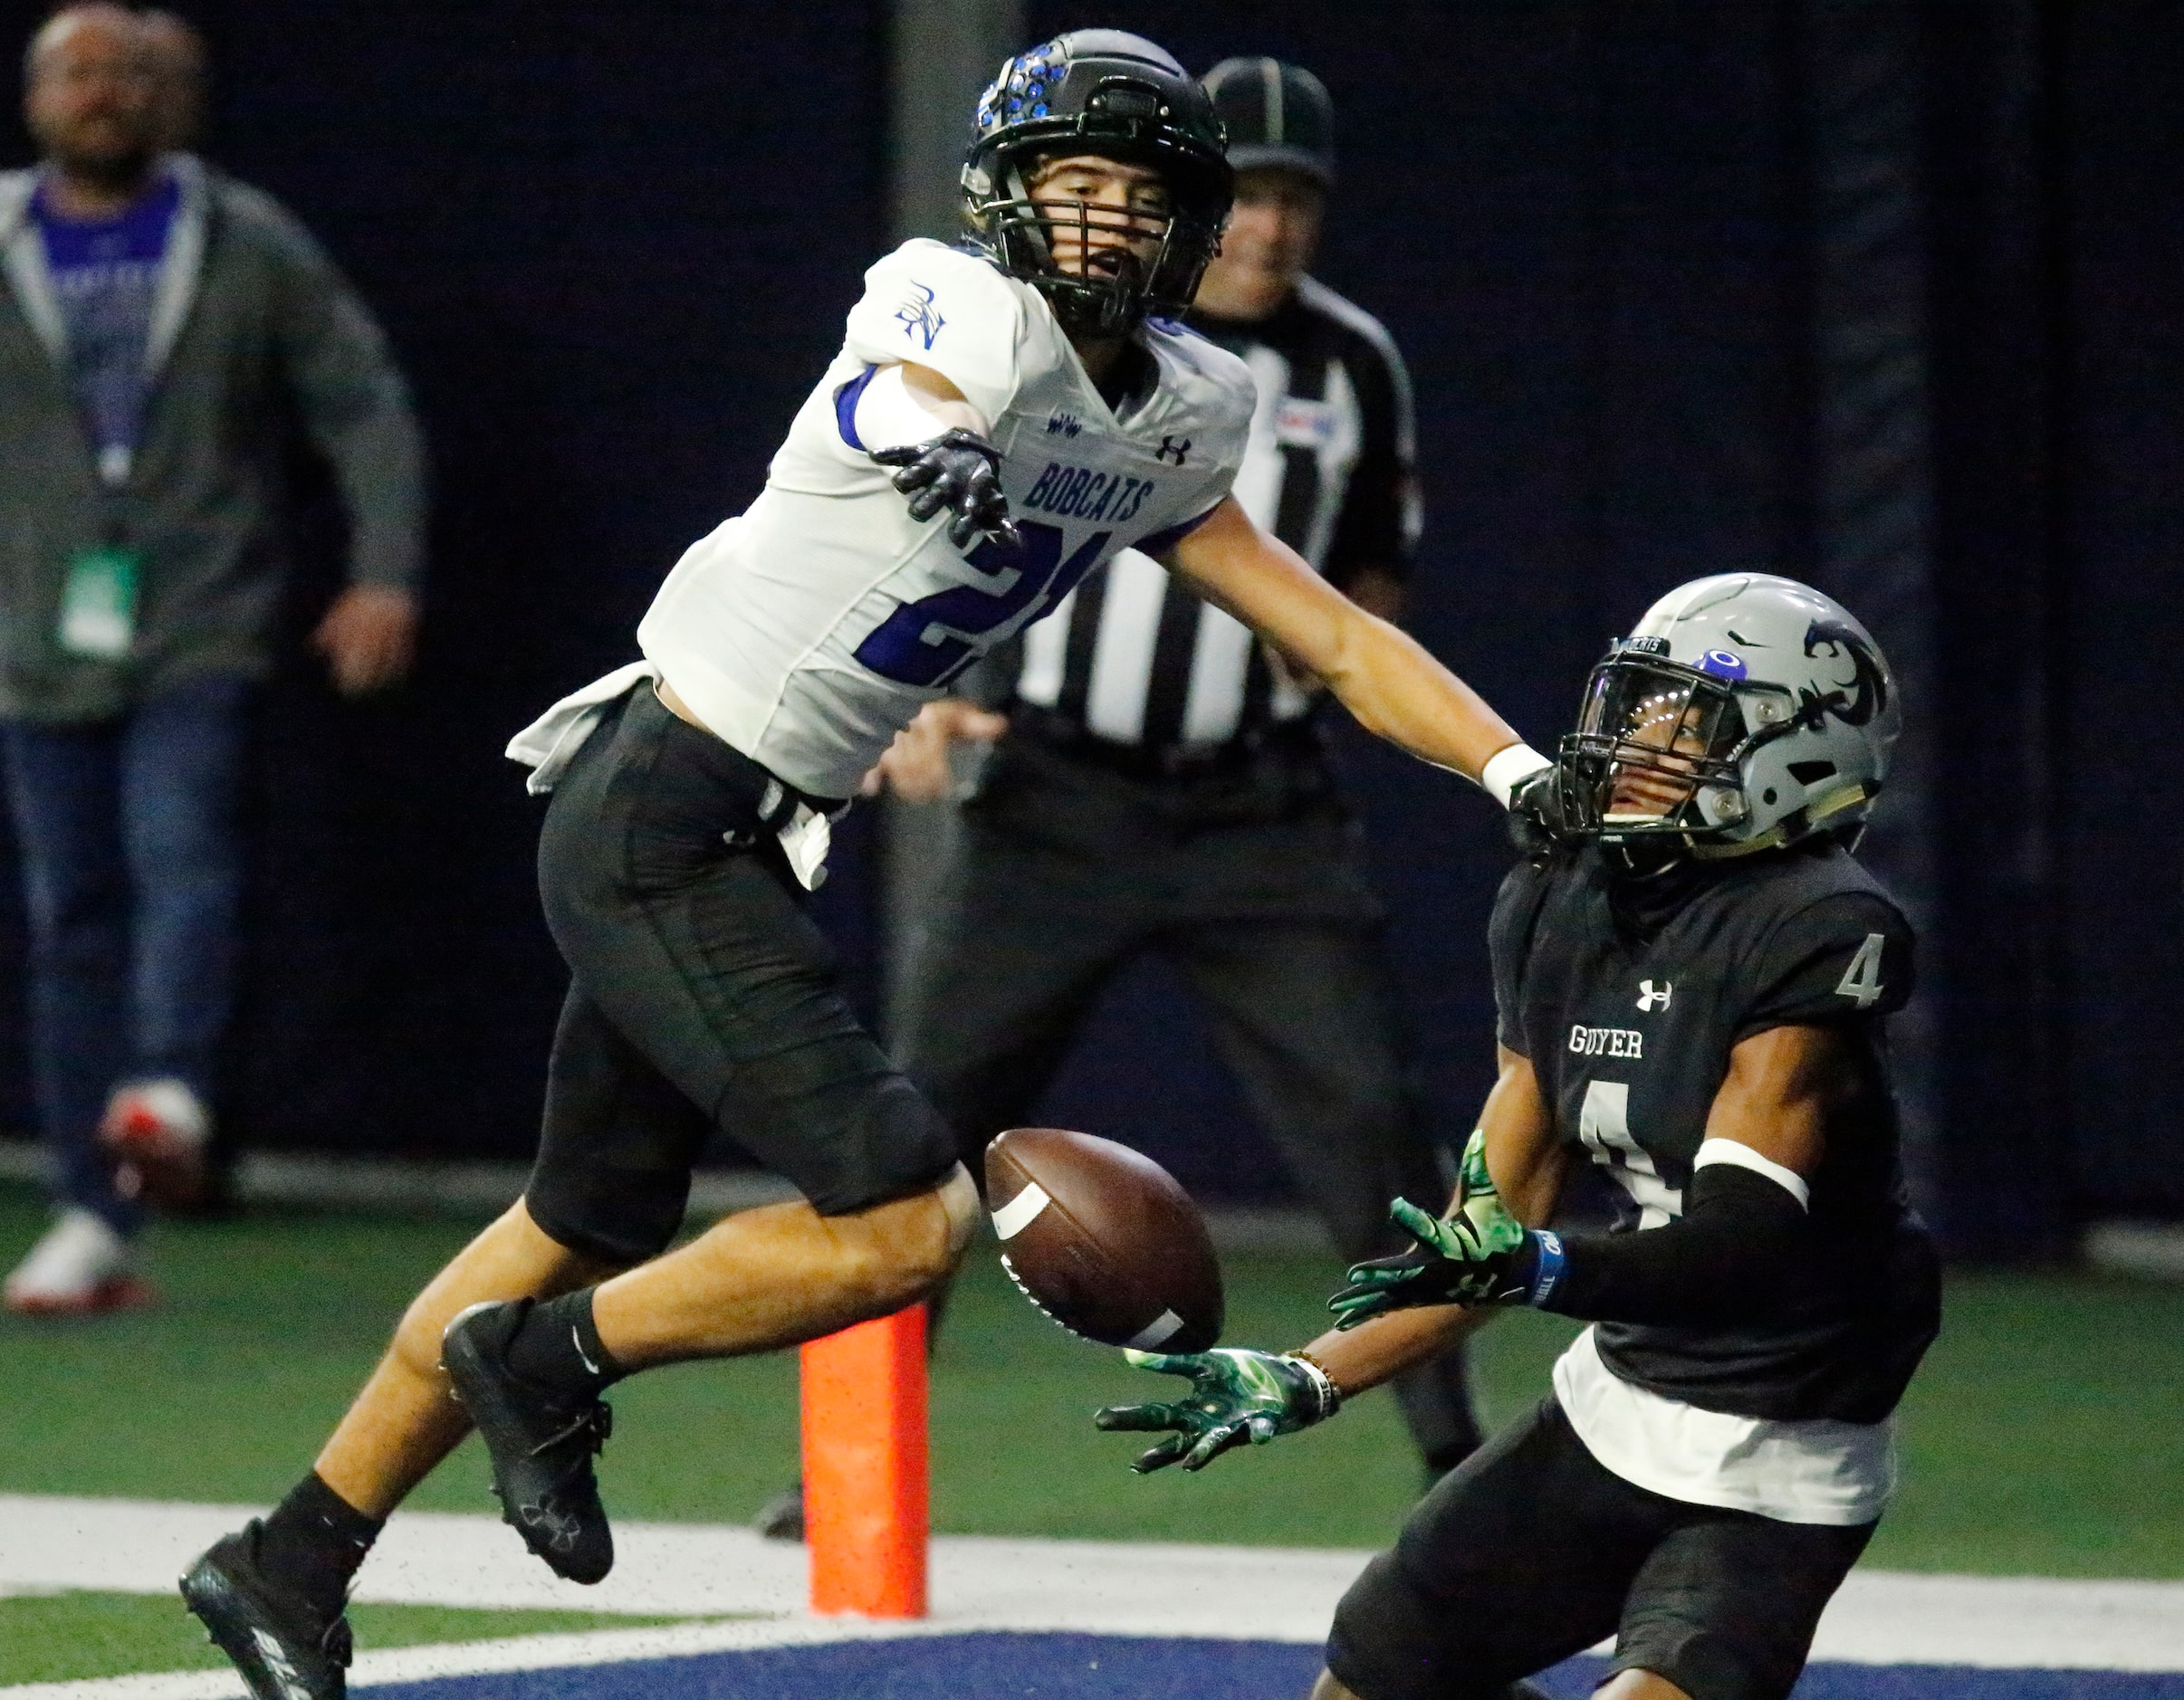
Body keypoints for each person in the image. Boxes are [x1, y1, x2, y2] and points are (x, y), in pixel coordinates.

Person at [180, 29, 1558, 1700]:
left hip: (737, 831)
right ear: (1006, 189)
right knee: (906, 1225)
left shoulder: (1193, 404)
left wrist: (1516, 770)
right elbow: (915, 387)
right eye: (1075, 182)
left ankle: (293, 1552)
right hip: (660, 809)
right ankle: (537, 1367)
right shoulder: (948, 302)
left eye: (1142, 195)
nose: (1108, 221)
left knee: (575, 1214)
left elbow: (1333, 633)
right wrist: (941, 444)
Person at [1097, 574, 1941, 1700]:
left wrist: (1542, 1266)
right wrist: (1306, 1376)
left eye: (1692, 714)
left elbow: (1742, 1249)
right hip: (1615, 1403)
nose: (1643, 735)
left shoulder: (1815, 929)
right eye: (1640, 703)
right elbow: (1483, 1236)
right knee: (1371, 1676)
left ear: (1800, 750)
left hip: (1778, 1447)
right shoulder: (1565, 893)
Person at [836, 57, 1474, 1540]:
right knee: (917, 1124)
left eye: (1295, 197)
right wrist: (927, 688)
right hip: (1054, 798)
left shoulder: (1352, 363)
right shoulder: (1053, 333)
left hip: (1257, 809)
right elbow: (932, 508)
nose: (1268, 226)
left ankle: (1455, 1455)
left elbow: (1373, 575)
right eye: (1243, 193)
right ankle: (849, 1465)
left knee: (1374, 1125)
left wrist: (1337, 679)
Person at [0, 5, 424, 1314]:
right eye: (76, 71)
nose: (101, 92)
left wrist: (384, 574)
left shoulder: (238, 238)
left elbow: (362, 402)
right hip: (33, 633)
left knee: (181, 849)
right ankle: (90, 1212)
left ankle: (170, 1088)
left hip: (202, 614)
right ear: (35, 97)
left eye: (126, 72)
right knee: (72, 914)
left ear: (167, 99)